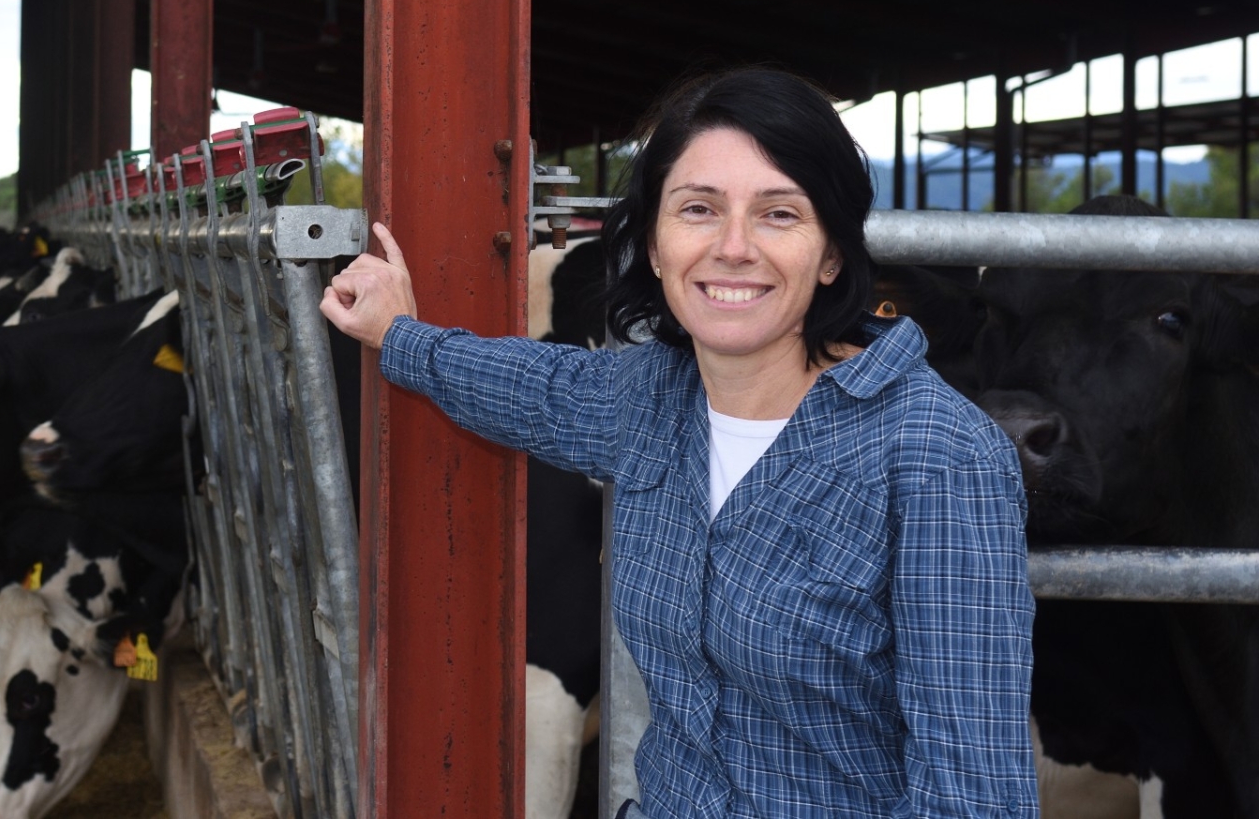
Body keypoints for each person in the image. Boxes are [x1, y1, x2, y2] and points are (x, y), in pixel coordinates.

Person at [321, 68, 1038, 819]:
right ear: (656, 248)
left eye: (779, 214)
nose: (733, 248)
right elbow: (529, 386)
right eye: (698, 209)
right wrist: (396, 332)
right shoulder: (650, 398)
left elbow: (971, 798)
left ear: (832, 255)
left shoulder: (937, 459)